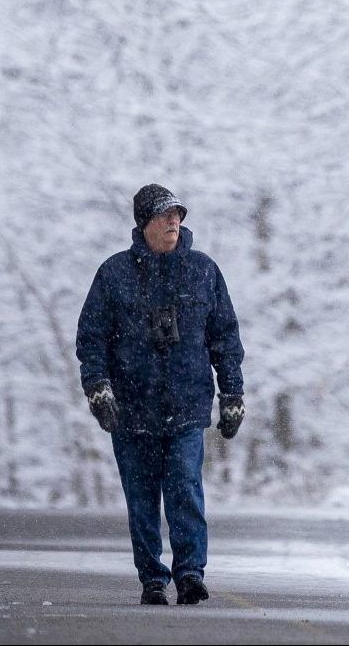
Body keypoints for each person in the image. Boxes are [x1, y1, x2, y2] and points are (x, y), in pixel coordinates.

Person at [75, 183, 245, 606]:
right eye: (165, 215)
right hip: (132, 409)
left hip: (187, 406)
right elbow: (91, 338)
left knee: (185, 487)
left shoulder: (204, 271)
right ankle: (152, 577)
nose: (174, 222)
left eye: (178, 215)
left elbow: (225, 337)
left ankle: (190, 573)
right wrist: (98, 388)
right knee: (142, 496)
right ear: (143, 223)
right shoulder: (113, 274)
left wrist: (232, 393)